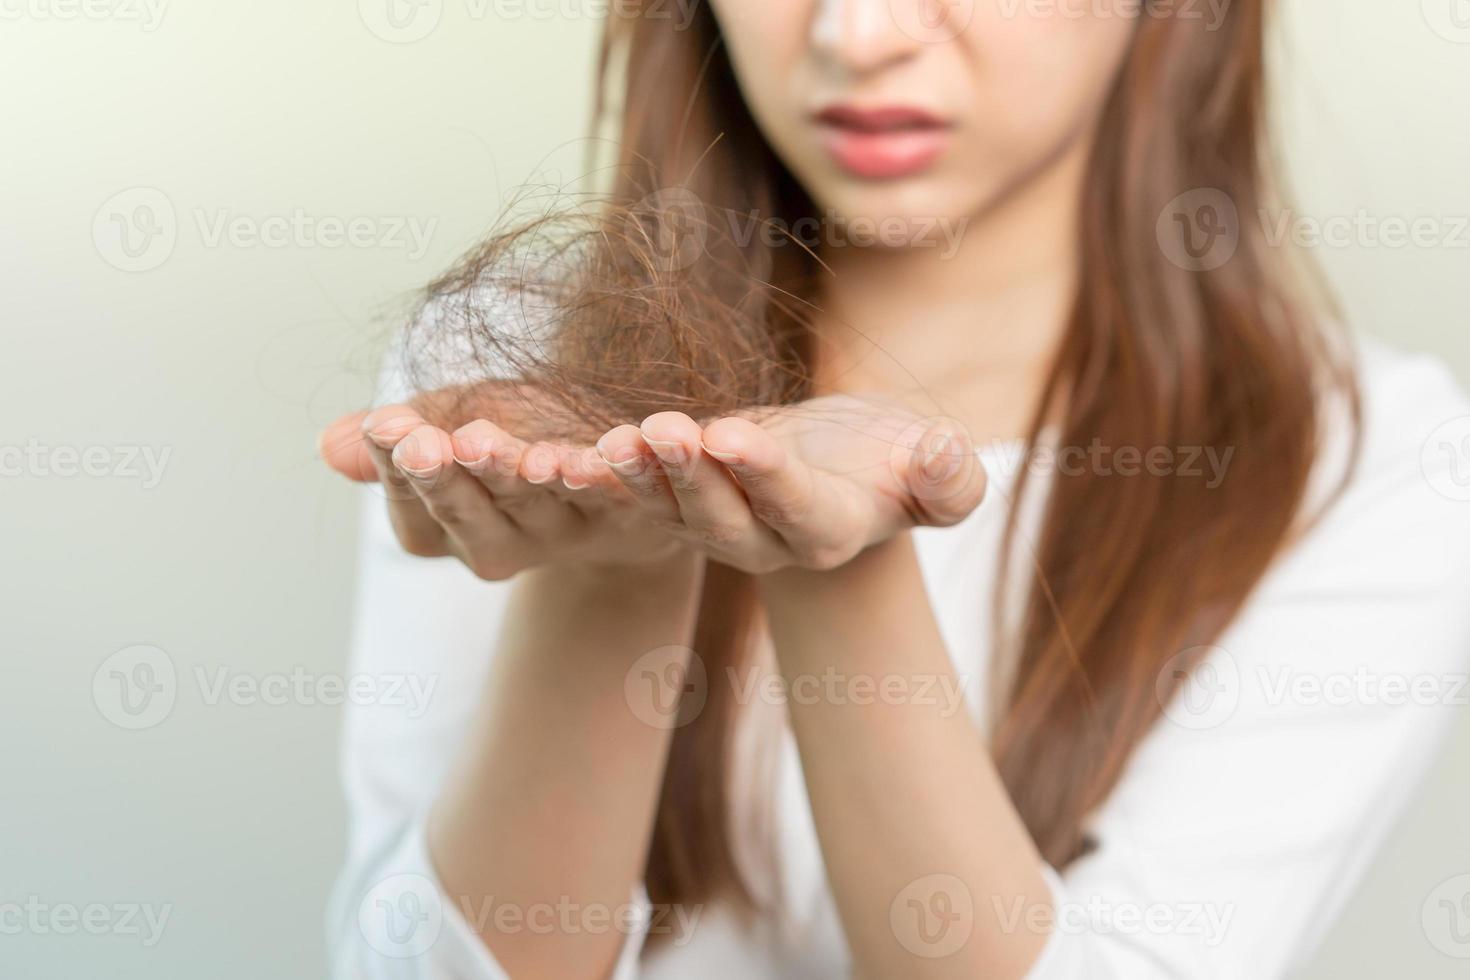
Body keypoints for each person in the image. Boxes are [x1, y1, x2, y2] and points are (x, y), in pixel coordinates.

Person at [319, 2, 1470, 977]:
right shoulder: (515, 379)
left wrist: (845, 555)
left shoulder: (1372, 458)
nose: (859, 35)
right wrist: (609, 569)